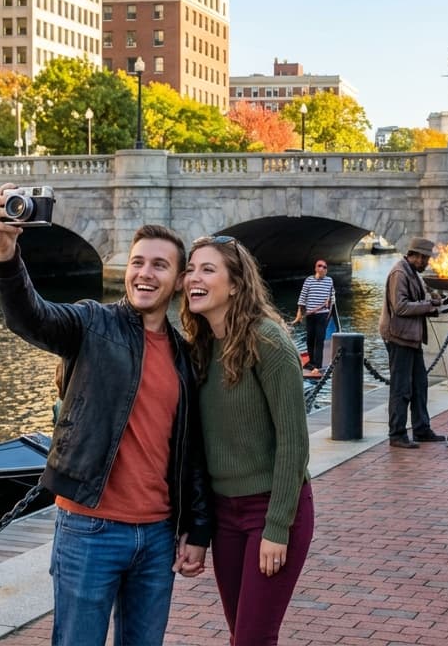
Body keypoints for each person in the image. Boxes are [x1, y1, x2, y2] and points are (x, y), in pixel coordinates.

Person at [0, 185, 209, 646]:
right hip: (90, 528)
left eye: (159, 265)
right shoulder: (92, 324)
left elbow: (194, 454)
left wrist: (196, 530)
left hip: (158, 534)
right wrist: (6, 254)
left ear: (180, 278)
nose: (144, 274)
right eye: (138, 263)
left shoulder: (188, 358)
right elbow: (31, 316)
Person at [180, 235, 313, 645]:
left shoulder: (267, 340)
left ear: (236, 283)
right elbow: (196, 449)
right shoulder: (199, 347)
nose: (193, 279)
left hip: (272, 510)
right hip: (225, 517)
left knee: (252, 639)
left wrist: (277, 527)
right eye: (190, 269)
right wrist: (197, 528)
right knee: (244, 634)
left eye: (207, 269)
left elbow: (294, 442)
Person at [379, 236, 448, 448]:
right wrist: (429, 306)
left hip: (411, 337)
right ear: (415, 255)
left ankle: (421, 429)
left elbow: (419, 299)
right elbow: (400, 307)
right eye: (425, 259)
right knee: (401, 388)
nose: (427, 263)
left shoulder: (412, 273)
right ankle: (397, 434)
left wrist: (435, 301)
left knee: (420, 385)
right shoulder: (400, 273)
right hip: (399, 337)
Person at [293, 258, 335, 375]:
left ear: (326, 270)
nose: (322, 268)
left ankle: (318, 365)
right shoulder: (309, 280)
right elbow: (302, 298)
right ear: (315, 268)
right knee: (310, 339)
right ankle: (311, 362)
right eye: (320, 266)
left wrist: (329, 311)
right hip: (310, 314)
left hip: (322, 314)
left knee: (320, 339)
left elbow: (331, 298)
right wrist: (299, 314)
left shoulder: (329, 281)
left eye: (325, 267)